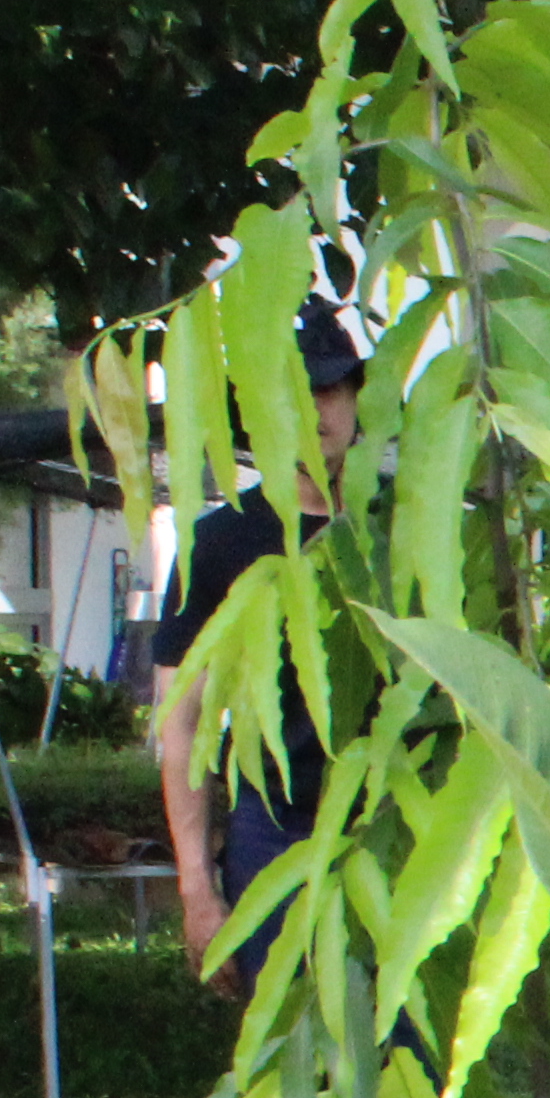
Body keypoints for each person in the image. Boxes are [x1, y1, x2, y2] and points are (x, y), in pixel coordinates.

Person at [151, 298, 368, 986]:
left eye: (331, 388)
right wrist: (196, 886)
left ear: (358, 399)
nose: (317, 410)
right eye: (298, 393)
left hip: (391, 824)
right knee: (288, 1059)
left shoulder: (397, 531)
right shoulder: (219, 544)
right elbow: (179, 721)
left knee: (408, 1068)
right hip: (273, 831)